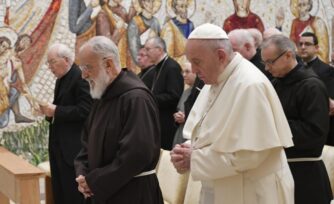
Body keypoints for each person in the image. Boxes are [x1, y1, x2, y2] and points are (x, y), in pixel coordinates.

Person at [171, 23, 294, 204]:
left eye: (197, 62)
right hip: (223, 186)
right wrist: (186, 151)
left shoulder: (249, 85)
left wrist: (195, 159)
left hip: (252, 192)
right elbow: (207, 131)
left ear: (220, 55)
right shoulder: (214, 80)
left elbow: (250, 156)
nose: (193, 70)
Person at [74, 36, 163, 204]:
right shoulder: (103, 96)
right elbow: (86, 142)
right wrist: (83, 174)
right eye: (82, 68)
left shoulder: (136, 98)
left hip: (133, 194)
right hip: (104, 191)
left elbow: (136, 155)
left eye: (88, 67)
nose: (83, 75)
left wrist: (94, 182)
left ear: (108, 64)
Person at [261, 34, 332, 204]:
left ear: (288, 55)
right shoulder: (276, 83)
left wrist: (271, 127)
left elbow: (315, 133)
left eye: (271, 62)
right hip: (280, 169)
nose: (267, 68)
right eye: (265, 63)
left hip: (305, 174)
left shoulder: (312, 86)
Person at [40, 43, 93, 204]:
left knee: (72, 194)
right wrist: (48, 113)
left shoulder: (80, 77)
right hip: (59, 145)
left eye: (52, 62)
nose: (50, 67)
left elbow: (86, 110)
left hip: (73, 148)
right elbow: (61, 108)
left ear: (66, 60)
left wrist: (55, 111)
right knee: (60, 190)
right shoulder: (61, 79)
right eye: (48, 63)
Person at [144, 36, 184, 150]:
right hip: (157, 120)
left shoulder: (172, 67)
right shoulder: (157, 67)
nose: (145, 53)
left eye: (148, 49)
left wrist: (150, 99)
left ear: (159, 50)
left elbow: (174, 96)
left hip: (166, 123)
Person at [297, 32, 334, 145]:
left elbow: (328, 101)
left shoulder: (326, 70)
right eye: (300, 44)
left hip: (317, 125)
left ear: (317, 48)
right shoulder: (294, 68)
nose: (303, 47)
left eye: (307, 44)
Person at [172, 62, 203, 146]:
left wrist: (186, 118)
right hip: (180, 134)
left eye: (187, 72)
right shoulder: (186, 92)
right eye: (183, 72)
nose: (184, 75)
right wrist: (177, 116)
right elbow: (179, 110)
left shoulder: (202, 92)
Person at [161, 0, 194, 66]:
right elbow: (167, 58)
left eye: (186, 6)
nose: (185, 9)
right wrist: (186, 60)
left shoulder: (191, 26)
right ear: (175, 8)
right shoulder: (169, 27)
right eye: (181, 6)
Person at [127, 0, 162, 65]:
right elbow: (134, 51)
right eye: (148, 1)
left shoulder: (155, 22)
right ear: (142, 3)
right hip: (141, 66)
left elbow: (160, 45)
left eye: (152, 1)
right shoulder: (135, 23)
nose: (151, 4)